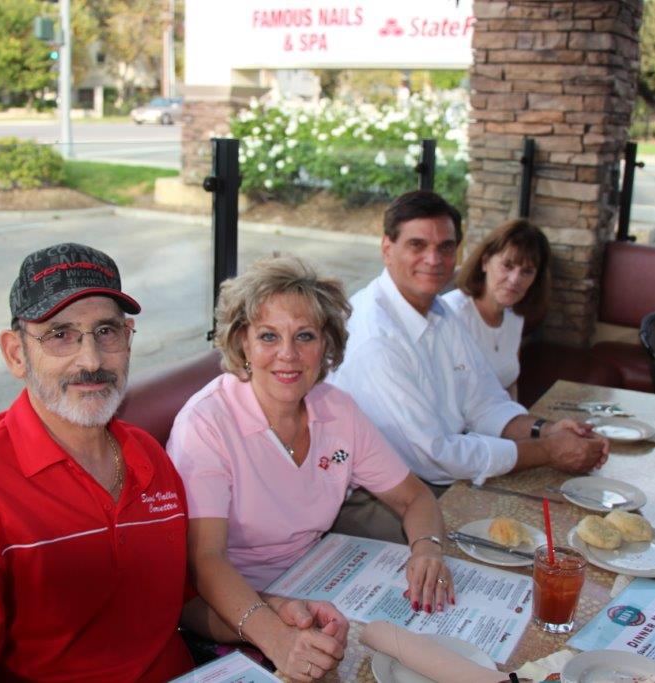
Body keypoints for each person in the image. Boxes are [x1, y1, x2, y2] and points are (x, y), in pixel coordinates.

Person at [0, 243, 193, 683]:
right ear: (16, 354)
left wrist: (270, 618)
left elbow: (182, 603)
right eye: (60, 335)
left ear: (128, 339)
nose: (91, 360)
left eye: (106, 332)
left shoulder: (149, 457)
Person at [167, 256, 454, 682]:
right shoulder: (206, 424)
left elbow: (414, 497)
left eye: (305, 336)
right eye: (268, 336)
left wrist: (428, 547)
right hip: (229, 608)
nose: (288, 354)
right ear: (242, 342)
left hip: (319, 584)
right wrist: (276, 636)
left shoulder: (337, 409)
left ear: (327, 345)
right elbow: (205, 560)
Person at [329, 191, 608, 540]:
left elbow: (484, 400)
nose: (434, 259)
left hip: (431, 477)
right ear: (387, 248)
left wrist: (545, 430)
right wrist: (548, 452)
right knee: (517, 540)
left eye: (446, 247)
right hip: (373, 500)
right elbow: (436, 456)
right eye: (417, 245)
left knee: (558, 522)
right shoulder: (376, 340)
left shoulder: (438, 310)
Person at [443, 218, 551, 399]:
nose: (515, 279)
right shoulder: (451, 314)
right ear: (485, 262)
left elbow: (509, 384)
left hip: (498, 423)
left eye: (527, 271)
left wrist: (521, 424)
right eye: (507, 265)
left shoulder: (514, 316)